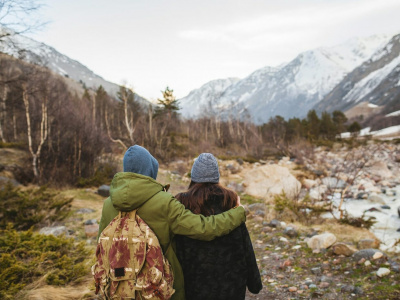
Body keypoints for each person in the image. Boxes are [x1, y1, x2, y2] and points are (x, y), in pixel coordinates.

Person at [98, 145, 246, 300]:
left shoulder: (108, 204)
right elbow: (204, 228)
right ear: (149, 170)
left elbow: (101, 248)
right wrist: (238, 212)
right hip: (158, 289)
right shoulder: (164, 202)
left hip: (118, 288)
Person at [175, 153, 262, 300]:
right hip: (231, 288)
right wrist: (254, 283)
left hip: (193, 288)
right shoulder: (231, 203)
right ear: (217, 177)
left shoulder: (182, 206)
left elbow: (176, 249)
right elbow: (245, 245)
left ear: (193, 177)